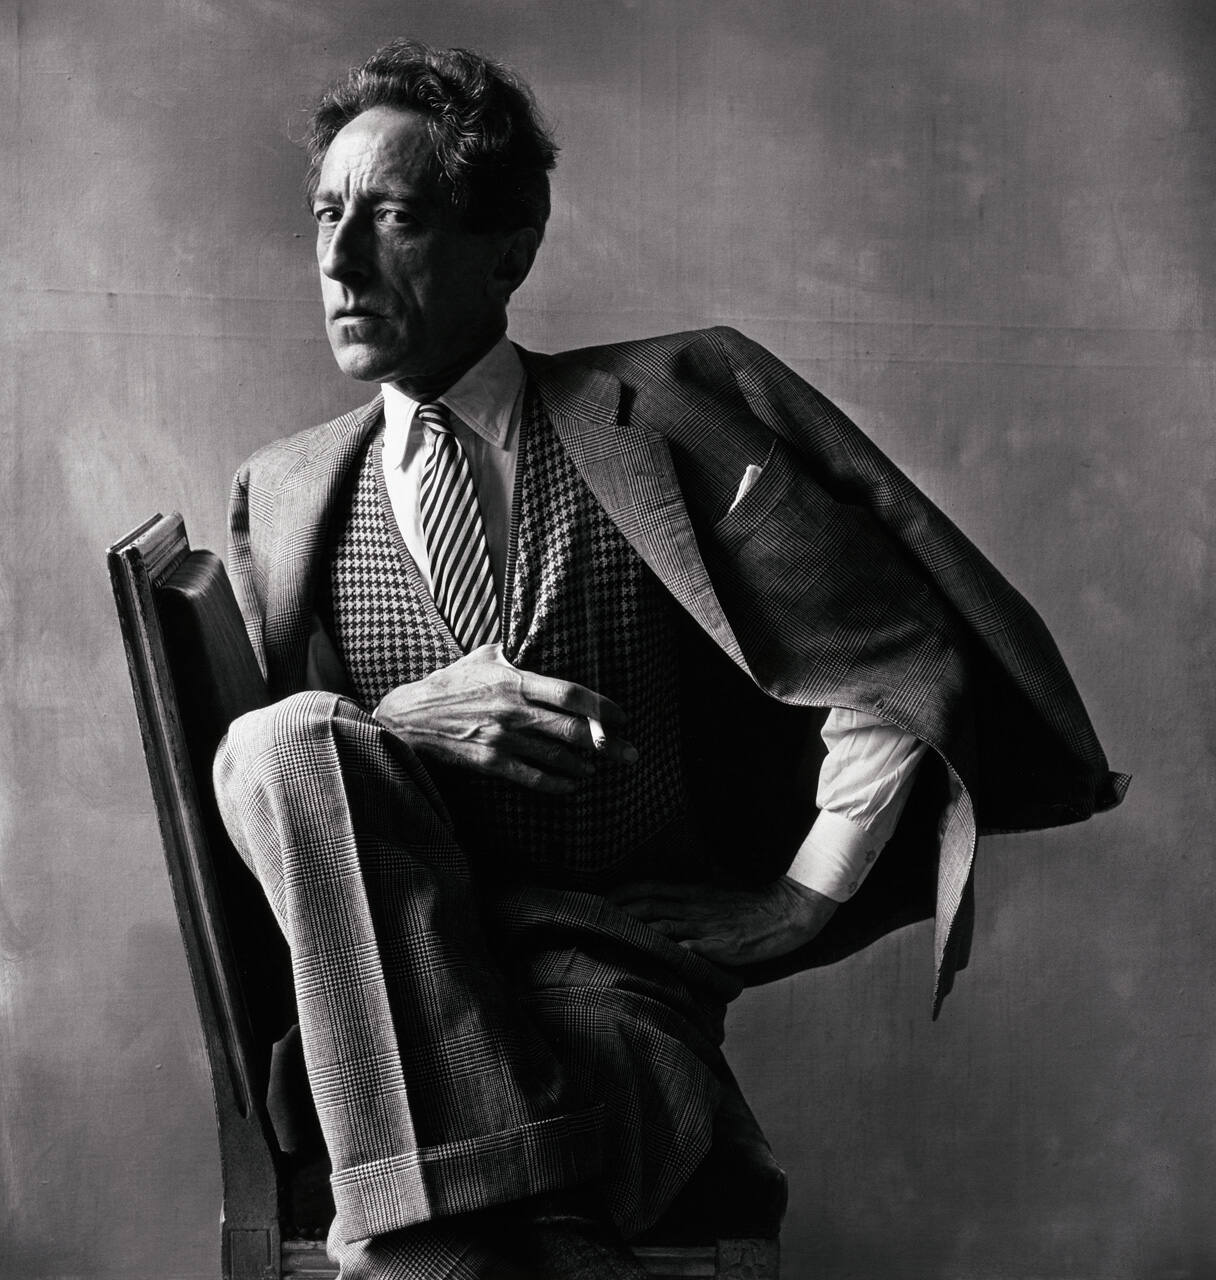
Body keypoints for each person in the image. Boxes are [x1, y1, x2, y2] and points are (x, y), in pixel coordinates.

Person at [213, 37, 1127, 1280]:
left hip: (605, 976)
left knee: (609, 1084)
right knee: (274, 738)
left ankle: (441, 1240)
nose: (338, 259)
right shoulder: (279, 492)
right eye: (327, 214)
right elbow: (272, 805)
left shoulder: (669, 409)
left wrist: (802, 891)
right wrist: (397, 728)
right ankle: (495, 1234)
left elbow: (886, 650)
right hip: (376, 999)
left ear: (509, 249)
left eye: (395, 217)